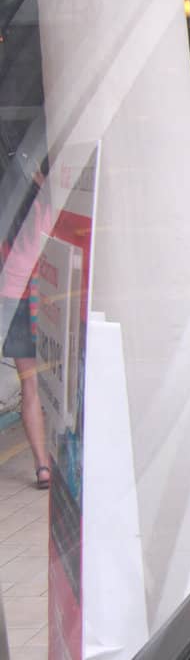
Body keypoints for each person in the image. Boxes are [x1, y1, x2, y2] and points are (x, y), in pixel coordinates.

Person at [1, 152, 51, 488]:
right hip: (49, 296)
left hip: (16, 297)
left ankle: (42, 466)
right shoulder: (48, 206)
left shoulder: (7, 212)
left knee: (30, 385)